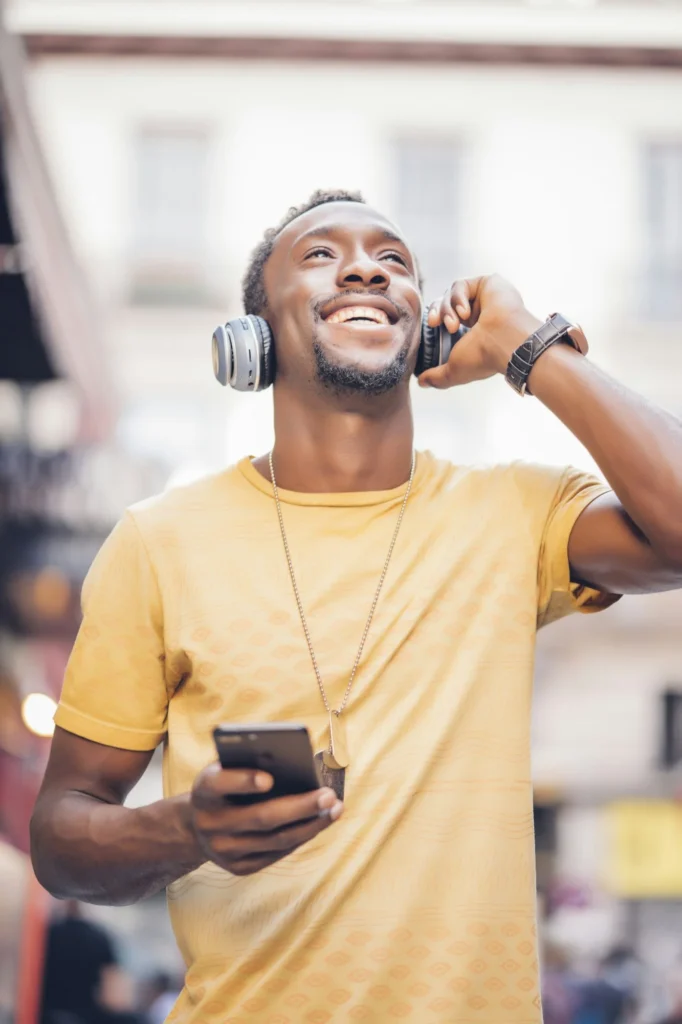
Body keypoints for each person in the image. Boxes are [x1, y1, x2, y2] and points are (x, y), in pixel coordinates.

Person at [30, 189, 682, 1023]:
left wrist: (530, 348)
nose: (367, 267)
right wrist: (186, 830)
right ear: (255, 339)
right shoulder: (159, 543)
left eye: (395, 260)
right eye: (320, 256)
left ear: (427, 334)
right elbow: (59, 836)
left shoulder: (517, 514)